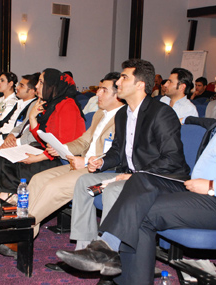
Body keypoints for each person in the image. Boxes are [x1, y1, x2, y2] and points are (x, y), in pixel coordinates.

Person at [56, 61, 216, 285]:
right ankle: (111, 257)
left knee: (139, 210)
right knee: (140, 183)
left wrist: (215, 186)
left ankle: (105, 251)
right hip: (193, 190)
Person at [65, 59, 189, 256]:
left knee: (114, 189)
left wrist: (137, 175)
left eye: (124, 78)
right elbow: (117, 151)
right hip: (129, 175)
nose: (118, 83)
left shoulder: (161, 113)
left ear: (140, 85)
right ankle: (84, 247)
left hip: (157, 179)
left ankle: (106, 253)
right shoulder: (123, 114)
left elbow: (172, 159)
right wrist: (102, 161)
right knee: (84, 182)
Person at [27, 72, 124, 238]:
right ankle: (24, 230)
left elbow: (116, 155)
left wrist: (85, 162)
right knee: (38, 180)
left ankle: (21, 230)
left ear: (118, 95)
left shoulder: (124, 118)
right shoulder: (100, 114)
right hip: (82, 164)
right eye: (99, 89)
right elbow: (83, 142)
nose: (97, 93)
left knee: (53, 187)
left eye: (104, 90)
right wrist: (62, 148)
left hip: (102, 170)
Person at [0, 68, 86, 199]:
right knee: (7, 160)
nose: (37, 86)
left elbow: (63, 145)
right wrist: (32, 118)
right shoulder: (51, 104)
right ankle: (4, 197)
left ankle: (7, 199)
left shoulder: (67, 105)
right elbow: (42, 138)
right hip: (47, 152)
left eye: (41, 82)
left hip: (61, 159)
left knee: (15, 164)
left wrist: (37, 158)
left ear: (51, 86)